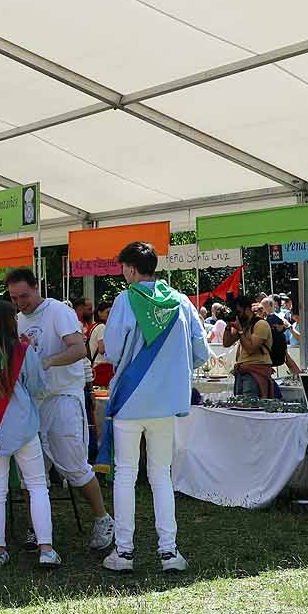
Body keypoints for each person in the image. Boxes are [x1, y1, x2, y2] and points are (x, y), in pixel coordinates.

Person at [99, 241, 208, 571]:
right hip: (166, 404)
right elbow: (200, 352)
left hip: (130, 402)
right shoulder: (181, 302)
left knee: (126, 476)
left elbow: (114, 352)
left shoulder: (124, 300)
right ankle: (169, 553)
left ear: (131, 269)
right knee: (161, 475)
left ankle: (124, 552)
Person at [3, 267, 116, 552]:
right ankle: (34, 528)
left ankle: (103, 519)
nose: (20, 303)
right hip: (33, 404)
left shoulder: (58, 312)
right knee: (31, 469)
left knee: (74, 465)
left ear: (37, 287)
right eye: (14, 298)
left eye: (24, 296)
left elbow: (78, 349)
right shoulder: (17, 320)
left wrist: (47, 362)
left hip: (63, 398)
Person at [0, 300, 60, 568]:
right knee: (37, 487)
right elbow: (37, 386)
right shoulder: (23, 350)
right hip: (24, 428)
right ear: (12, 321)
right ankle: (46, 548)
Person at [229, 297, 277, 398]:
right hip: (242, 371)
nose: (237, 315)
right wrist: (228, 325)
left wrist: (240, 332)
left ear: (247, 310)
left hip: (256, 371)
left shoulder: (261, 324)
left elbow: (251, 349)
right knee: (239, 407)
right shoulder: (244, 325)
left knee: (251, 406)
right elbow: (226, 342)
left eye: (239, 312)